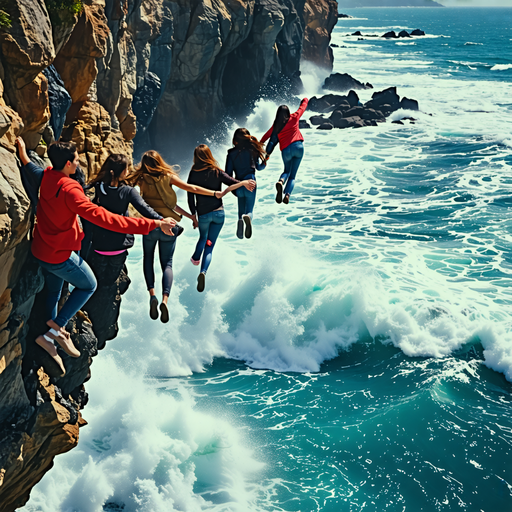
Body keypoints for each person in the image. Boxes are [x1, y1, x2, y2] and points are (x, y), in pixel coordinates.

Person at [15, 138, 175, 374]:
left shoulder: (48, 175)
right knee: (89, 285)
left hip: (41, 248)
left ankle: (49, 343)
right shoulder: (71, 191)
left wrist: (22, 153)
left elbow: (33, 170)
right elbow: (107, 219)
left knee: (54, 291)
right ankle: (55, 330)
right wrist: (154, 224)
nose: (79, 163)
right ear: (68, 164)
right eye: (77, 160)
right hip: (60, 254)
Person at [128, 150, 226, 321]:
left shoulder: (141, 178)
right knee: (167, 264)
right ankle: (165, 300)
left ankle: (152, 295)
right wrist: (213, 194)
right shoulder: (167, 176)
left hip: (151, 226)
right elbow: (191, 188)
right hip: (170, 226)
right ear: (159, 161)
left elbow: (124, 185)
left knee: (148, 259)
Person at [86, 154, 174, 289]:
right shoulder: (128, 191)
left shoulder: (98, 187)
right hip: (119, 246)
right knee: (110, 284)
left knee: (96, 281)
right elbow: (145, 209)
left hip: (99, 245)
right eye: (127, 169)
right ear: (122, 172)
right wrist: (162, 220)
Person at [187, 144, 256, 292]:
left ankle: (195, 258)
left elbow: (190, 195)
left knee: (203, 238)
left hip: (203, 214)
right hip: (219, 213)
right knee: (210, 247)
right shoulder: (216, 171)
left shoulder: (193, 173)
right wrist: (243, 182)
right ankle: (203, 271)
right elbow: (231, 181)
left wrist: (193, 215)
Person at [260, 98, 309, 204]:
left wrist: (259, 143)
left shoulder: (276, 126)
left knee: (286, 171)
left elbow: (267, 136)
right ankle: (287, 195)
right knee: (293, 176)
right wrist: (305, 99)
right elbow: (302, 108)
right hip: (298, 147)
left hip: (286, 150)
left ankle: (281, 182)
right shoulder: (294, 117)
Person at [225, 128, 267, 239]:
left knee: (240, 210)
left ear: (235, 140)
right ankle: (248, 217)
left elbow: (227, 175)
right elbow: (259, 167)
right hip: (251, 183)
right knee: (249, 210)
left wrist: (234, 189)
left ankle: (240, 220)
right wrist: (265, 161)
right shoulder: (252, 150)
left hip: (239, 185)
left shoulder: (231, 154)